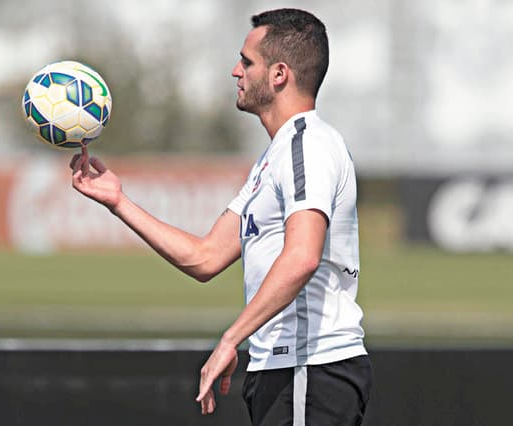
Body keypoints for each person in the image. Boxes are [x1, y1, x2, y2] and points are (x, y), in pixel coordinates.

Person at [70, 8, 372, 425]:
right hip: (283, 371)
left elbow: (303, 256)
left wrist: (231, 339)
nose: (236, 71)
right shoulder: (274, 158)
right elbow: (205, 257)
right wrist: (118, 202)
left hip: (309, 369)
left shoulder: (309, 145)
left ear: (279, 74)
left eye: (247, 62)